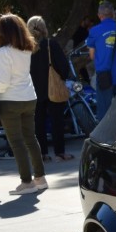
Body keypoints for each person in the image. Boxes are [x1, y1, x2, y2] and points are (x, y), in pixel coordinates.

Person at [0, 14, 47, 194]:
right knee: (31, 138)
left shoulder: (4, 52)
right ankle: (40, 178)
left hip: (10, 100)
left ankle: (26, 182)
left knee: (16, 142)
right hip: (28, 96)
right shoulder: (26, 49)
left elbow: (2, 83)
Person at [27, 16, 73, 162]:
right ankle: (60, 152)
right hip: (52, 87)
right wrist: (63, 78)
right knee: (56, 121)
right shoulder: (50, 44)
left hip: (33, 89)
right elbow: (63, 66)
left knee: (38, 122)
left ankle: (42, 154)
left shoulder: (24, 47)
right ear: (44, 28)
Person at [86, 1, 116, 122]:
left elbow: (92, 55)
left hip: (104, 75)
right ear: (113, 14)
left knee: (104, 112)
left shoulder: (94, 31)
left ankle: (105, 138)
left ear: (99, 15)